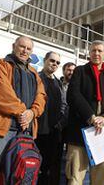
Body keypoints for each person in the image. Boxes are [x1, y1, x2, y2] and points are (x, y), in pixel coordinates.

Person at [0, 36, 47, 185]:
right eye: (22, 46)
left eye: (28, 49)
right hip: (3, 129)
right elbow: (1, 94)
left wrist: (32, 113)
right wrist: (24, 113)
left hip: (25, 130)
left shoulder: (34, 73)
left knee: (17, 173)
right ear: (13, 46)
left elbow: (41, 97)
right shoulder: (2, 65)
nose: (25, 51)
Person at [65, 40, 104, 185]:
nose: (96, 53)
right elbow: (73, 95)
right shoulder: (80, 71)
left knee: (100, 178)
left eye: (99, 51)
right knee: (75, 177)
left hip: (102, 133)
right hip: (80, 132)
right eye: (93, 51)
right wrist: (91, 117)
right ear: (89, 53)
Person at [37, 51, 68, 185]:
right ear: (45, 60)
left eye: (57, 62)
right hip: (37, 131)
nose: (54, 64)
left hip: (53, 132)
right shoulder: (36, 77)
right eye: (52, 60)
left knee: (48, 167)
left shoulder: (58, 83)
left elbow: (63, 104)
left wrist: (60, 123)